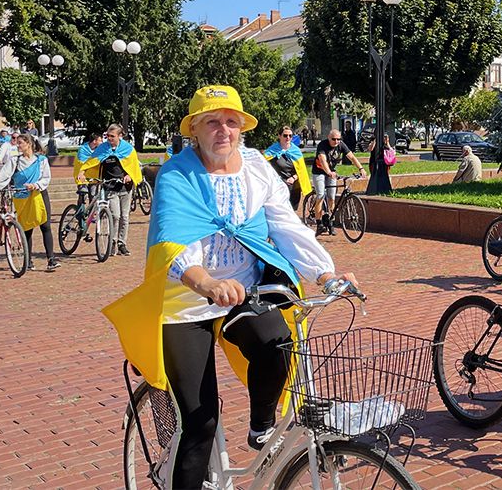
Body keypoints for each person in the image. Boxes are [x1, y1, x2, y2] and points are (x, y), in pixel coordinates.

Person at [102, 85, 357, 490]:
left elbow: (285, 225)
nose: (224, 130)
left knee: (277, 345)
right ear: (195, 130)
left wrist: (324, 273)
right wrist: (205, 282)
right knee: (200, 423)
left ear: (241, 128)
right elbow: (171, 242)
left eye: (231, 122)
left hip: (244, 290)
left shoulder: (256, 167)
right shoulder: (177, 172)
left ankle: (262, 427)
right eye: (212, 122)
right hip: (185, 302)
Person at [0, 134, 58, 271]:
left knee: (45, 225)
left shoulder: (41, 160)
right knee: (27, 228)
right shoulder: (15, 161)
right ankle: (28, 260)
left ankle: (51, 259)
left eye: (20, 143)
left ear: (29, 144)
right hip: (22, 196)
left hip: (39, 194)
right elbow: (3, 176)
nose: (17, 146)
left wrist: (35, 185)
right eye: (16, 143)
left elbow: (46, 178)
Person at [77, 124, 142, 255]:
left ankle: (121, 243)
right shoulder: (102, 148)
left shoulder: (128, 149)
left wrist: (129, 175)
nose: (109, 139)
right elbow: (92, 161)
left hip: (125, 187)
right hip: (109, 186)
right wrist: (82, 172)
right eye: (107, 136)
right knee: (115, 215)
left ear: (120, 136)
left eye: (112, 136)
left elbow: (133, 167)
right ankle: (111, 242)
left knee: (125, 216)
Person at [310, 129, 365, 235]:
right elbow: (322, 160)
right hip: (319, 172)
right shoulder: (322, 145)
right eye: (333, 139)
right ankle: (319, 223)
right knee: (321, 194)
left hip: (331, 172)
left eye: (338, 139)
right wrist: (329, 172)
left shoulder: (341, 145)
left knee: (331, 197)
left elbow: (351, 157)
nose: (336, 141)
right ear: (329, 138)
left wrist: (361, 168)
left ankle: (331, 222)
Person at [263, 126, 311, 211]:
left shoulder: (296, 151)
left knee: (292, 213)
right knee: (280, 212)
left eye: (290, 136)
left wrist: (293, 178)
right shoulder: (272, 151)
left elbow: (301, 171)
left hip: (293, 187)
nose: (288, 138)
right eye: (285, 135)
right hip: (277, 188)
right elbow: (263, 167)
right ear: (279, 136)